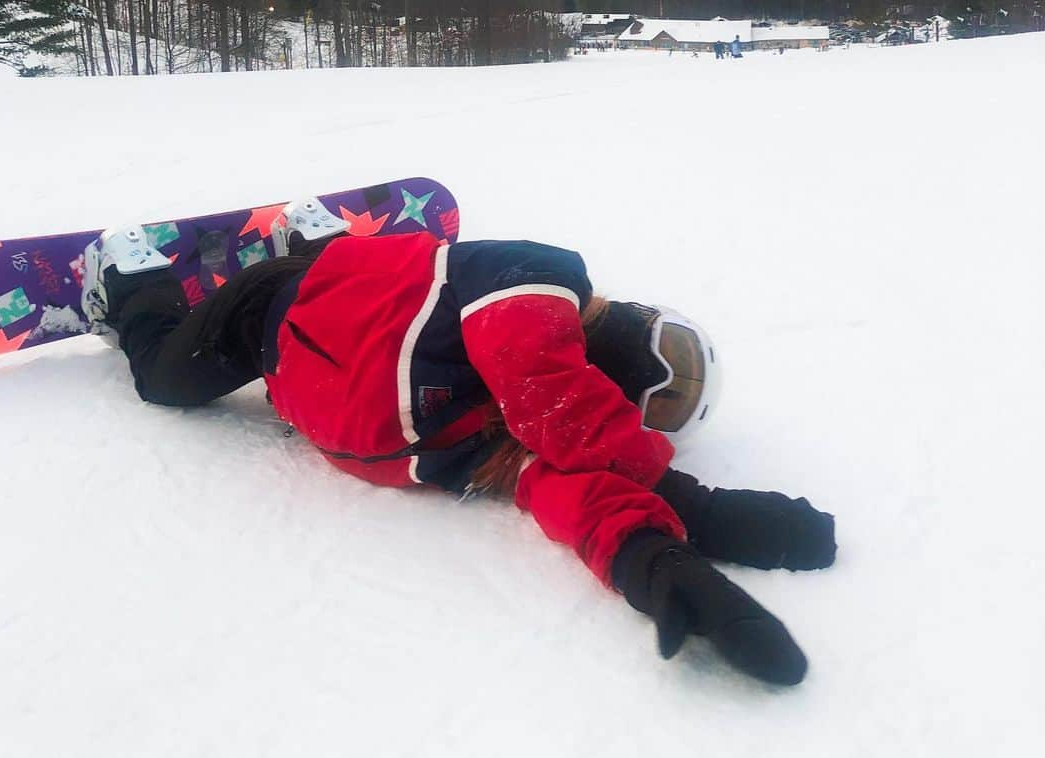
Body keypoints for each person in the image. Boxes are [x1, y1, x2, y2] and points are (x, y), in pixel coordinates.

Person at [82, 200, 836, 687]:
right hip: (266, 312)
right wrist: (686, 498)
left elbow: (578, 489)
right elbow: (543, 378)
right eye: (665, 363)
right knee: (161, 379)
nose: (649, 380)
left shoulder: (509, 441)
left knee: (535, 437)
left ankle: (314, 241)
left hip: (290, 358)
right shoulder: (532, 285)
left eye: (663, 400)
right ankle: (130, 280)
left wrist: (655, 559)